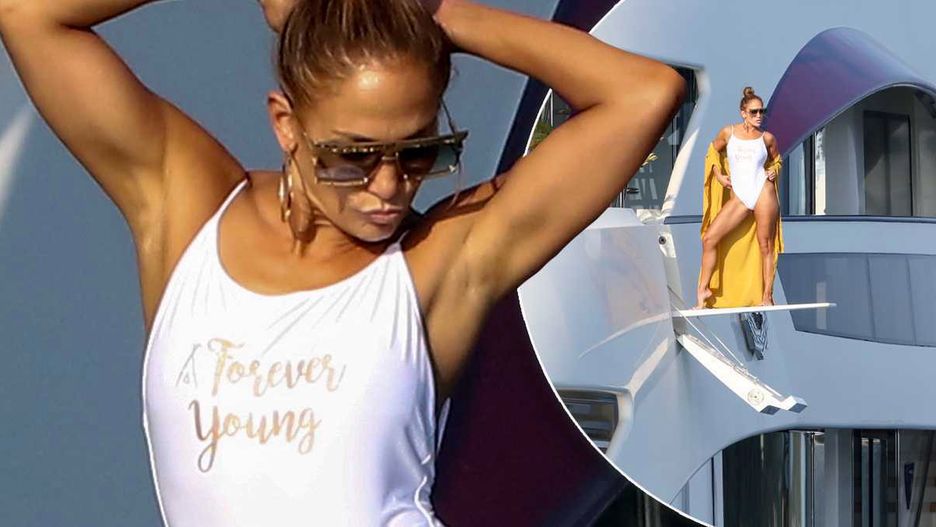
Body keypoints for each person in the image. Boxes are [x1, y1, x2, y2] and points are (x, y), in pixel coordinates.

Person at [0, 0, 684, 524]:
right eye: (352, 156)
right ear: (285, 124)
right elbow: (30, 16)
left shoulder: (443, 258)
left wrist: (432, 14)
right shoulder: (189, 210)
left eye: (420, 152)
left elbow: (642, 92)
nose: (388, 186)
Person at [696, 87, 783, 309]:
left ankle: (767, 296)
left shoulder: (767, 138)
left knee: (766, 245)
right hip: (740, 196)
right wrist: (718, 175)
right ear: (743, 112)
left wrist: (774, 170)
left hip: (763, 191)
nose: (759, 116)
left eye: (762, 111)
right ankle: (704, 289)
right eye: (754, 112)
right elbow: (713, 152)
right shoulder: (728, 133)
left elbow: (777, 160)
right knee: (709, 239)